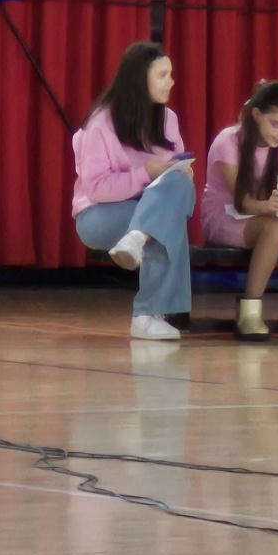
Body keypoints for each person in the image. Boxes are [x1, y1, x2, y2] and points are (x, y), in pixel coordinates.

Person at [72, 40, 197, 341]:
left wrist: (180, 173)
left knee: (179, 186)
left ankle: (138, 237)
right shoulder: (101, 122)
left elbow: (174, 181)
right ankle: (148, 314)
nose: (171, 82)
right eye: (163, 75)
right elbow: (96, 189)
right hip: (100, 214)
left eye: (170, 74)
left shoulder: (168, 119)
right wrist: (146, 174)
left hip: (149, 209)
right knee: (165, 219)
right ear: (140, 79)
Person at [201, 79, 278, 341]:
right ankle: (249, 310)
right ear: (257, 115)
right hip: (225, 214)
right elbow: (242, 202)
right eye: (277, 124)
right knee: (277, 225)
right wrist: (270, 208)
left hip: (263, 214)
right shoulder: (228, 142)